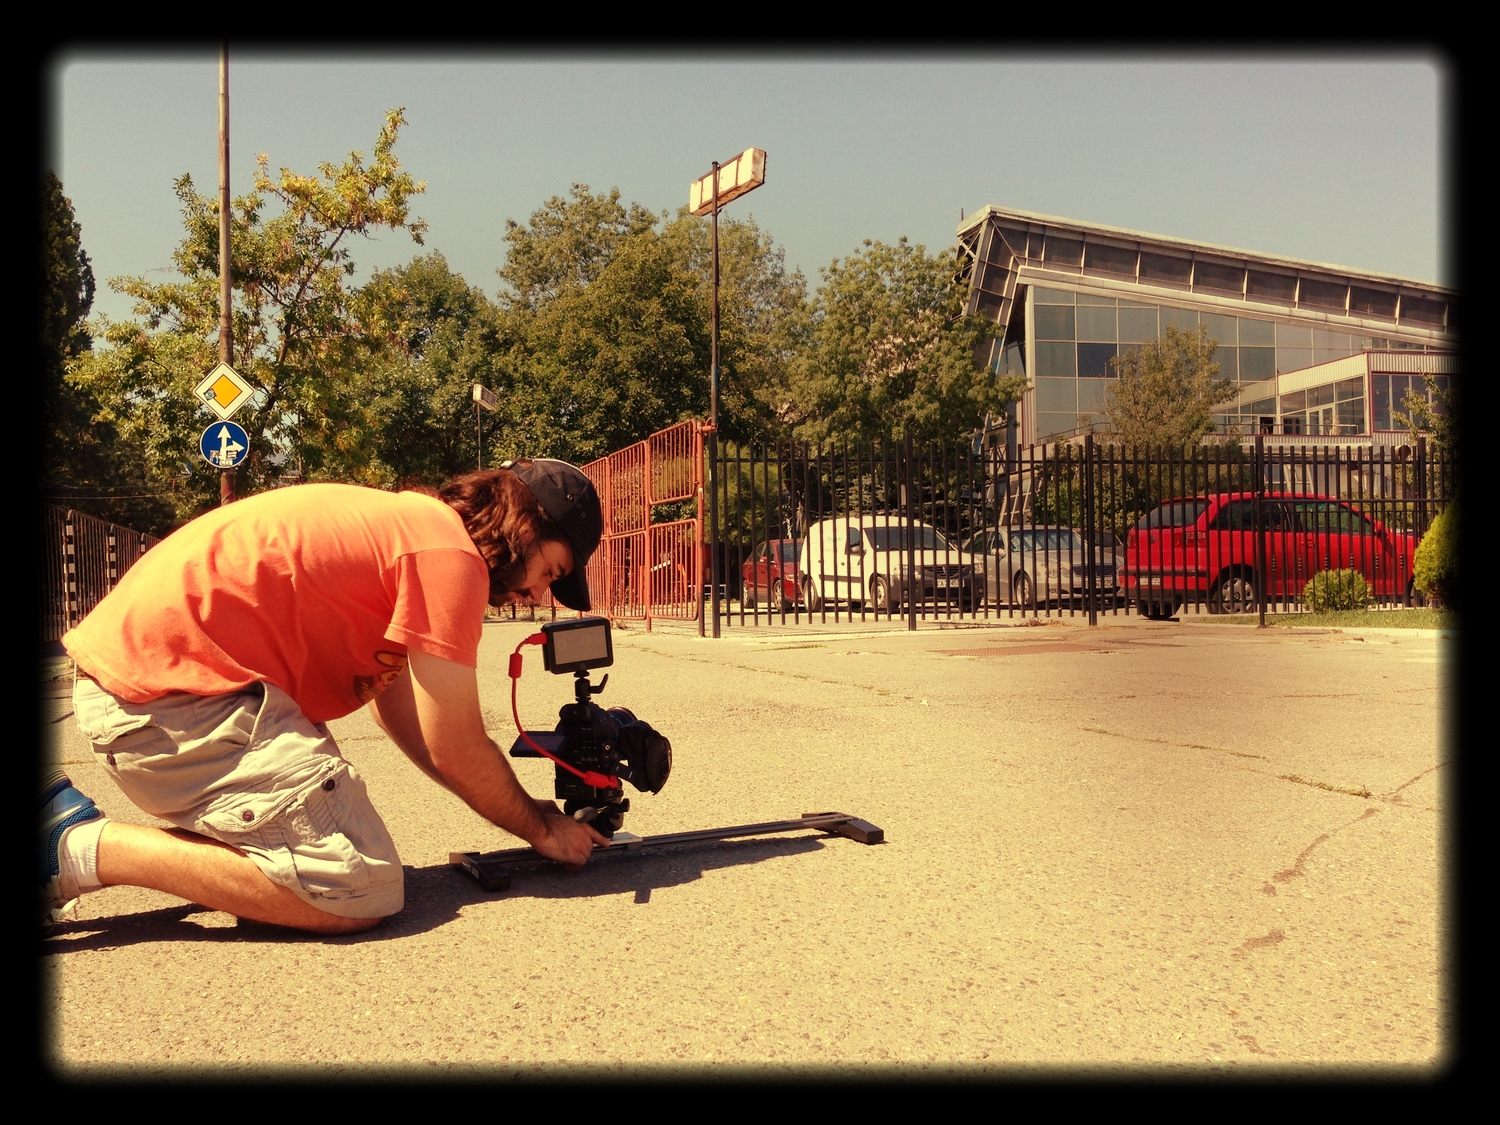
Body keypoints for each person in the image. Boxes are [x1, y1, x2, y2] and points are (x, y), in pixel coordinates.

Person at [44, 459, 611, 934]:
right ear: (524, 524)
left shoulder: (414, 527)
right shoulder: (449, 556)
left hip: (155, 694)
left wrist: (529, 814)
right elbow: (457, 746)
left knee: (335, 867)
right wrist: (541, 829)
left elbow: (410, 721)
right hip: (164, 703)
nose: (538, 594)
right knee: (357, 886)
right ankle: (72, 847)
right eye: (550, 569)